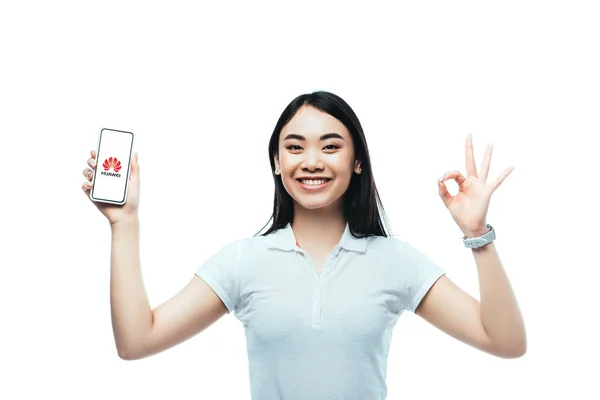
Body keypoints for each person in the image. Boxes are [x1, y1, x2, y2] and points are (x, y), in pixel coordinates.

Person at [81, 91, 526, 399]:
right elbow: (137, 341)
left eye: (330, 146)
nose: (311, 161)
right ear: (277, 162)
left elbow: (505, 342)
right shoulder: (243, 261)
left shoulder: (395, 262)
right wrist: (125, 224)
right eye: (295, 147)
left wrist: (477, 235)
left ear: (356, 163)